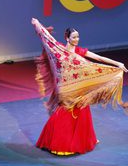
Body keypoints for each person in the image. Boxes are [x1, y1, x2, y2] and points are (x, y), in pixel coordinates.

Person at [31, 18, 127, 156]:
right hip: (65, 89)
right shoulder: (58, 49)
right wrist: (37, 24)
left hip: (79, 88)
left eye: (78, 37)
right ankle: (58, 143)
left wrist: (117, 63)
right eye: (74, 37)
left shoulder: (80, 51)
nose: (77, 39)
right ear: (67, 38)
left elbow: (98, 58)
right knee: (63, 114)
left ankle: (84, 140)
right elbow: (46, 38)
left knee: (82, 111)